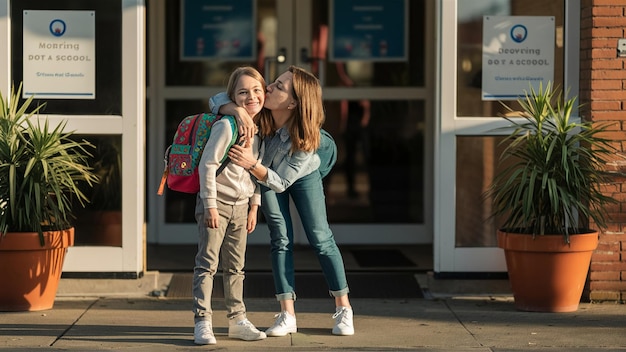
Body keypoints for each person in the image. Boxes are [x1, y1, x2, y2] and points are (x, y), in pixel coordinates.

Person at [210, 65, 355, 336]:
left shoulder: (308, 139)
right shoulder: (258, 110)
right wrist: (237, 110)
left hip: (299, 175)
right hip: (265, 173)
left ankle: (343, 307)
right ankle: (287, 314)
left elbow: (283, 182)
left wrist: (253, 165)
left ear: (293, 102)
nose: (269, 88)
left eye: (279, 86)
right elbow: (217, 99)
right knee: (281, 238)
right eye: (274, 82)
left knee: (320, 238)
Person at [192, 66, 266, 345]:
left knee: (236, 267)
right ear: (232, 97)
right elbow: (207, 166)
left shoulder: (260, 128)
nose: (251, 97)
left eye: (257, 90)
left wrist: (254, 206)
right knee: (207, 265)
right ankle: (203, 321)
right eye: (243, 92)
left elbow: (256, 170)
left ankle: (237, 319)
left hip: (241, 205)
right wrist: (210, 205)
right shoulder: (227, 124)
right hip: (217, 204)